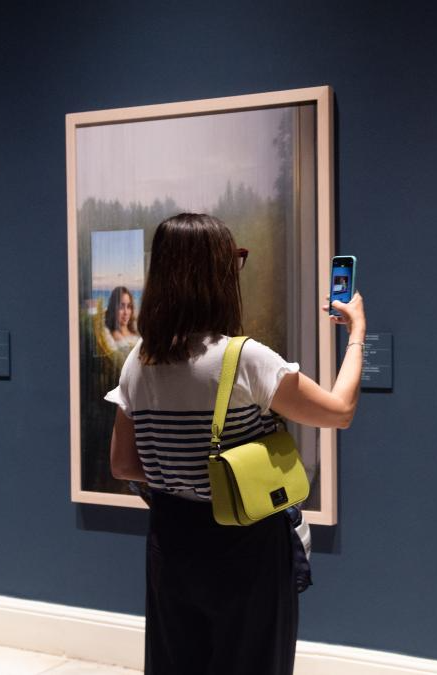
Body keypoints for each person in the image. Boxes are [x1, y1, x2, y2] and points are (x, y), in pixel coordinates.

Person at [105, 213, 366, 675]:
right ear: (217, 274)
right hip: (245, 545)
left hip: (170, 540)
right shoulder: (245, 359)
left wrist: (182, 474)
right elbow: (339, 411)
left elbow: (123, 464)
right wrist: (357, 334)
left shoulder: (138, 362)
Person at [103, 286, 139, 352]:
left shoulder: (136, 329)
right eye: (121, 307)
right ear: (113, 309)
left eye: (129, 306)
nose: (126, 312)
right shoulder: (108, 334)